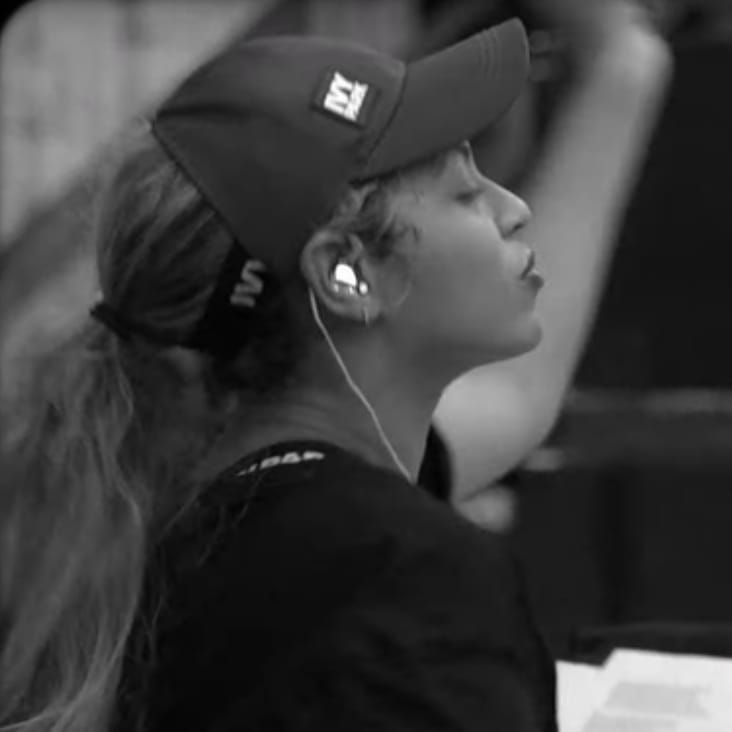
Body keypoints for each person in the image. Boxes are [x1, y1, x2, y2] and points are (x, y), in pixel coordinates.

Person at [0, 1, 670, 730]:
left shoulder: (192, 501)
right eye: (465, 193)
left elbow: (514, 397)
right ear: (347, 275)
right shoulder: (402, 578)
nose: (513, 209)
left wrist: (623, 63)